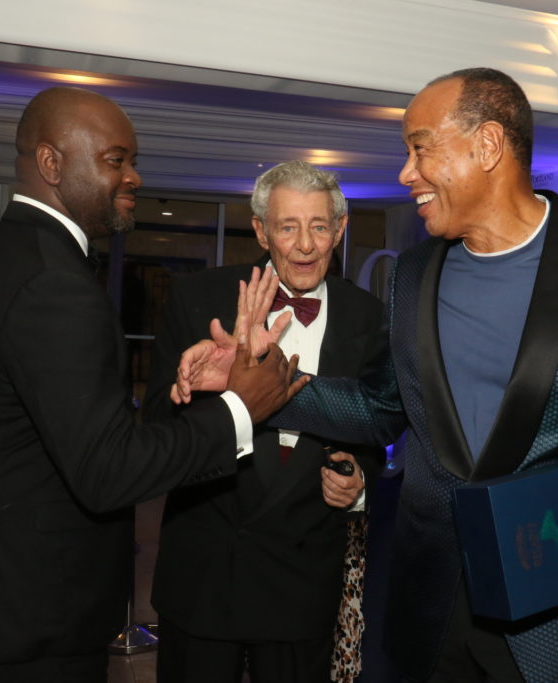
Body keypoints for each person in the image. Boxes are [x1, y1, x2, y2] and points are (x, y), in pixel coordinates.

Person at [175, 68, 558, 682]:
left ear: (487, 146)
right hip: (430, 610)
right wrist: (257, 382)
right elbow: (380, 408)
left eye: (419, 148)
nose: (405, 173)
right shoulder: (413, 274)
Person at [0, 86, 306, 683]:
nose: (134, 176)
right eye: (116, 160)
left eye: (132, 160)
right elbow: (106, 470)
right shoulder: (51, 281)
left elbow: (52, 426)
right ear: (51, 162)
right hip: (26, 614)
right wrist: (239, 410)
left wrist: (205, 392)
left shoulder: (12, 250)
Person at [145, 161, 386, 683]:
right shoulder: (199, 298)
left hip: (303, 578)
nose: (305, 245)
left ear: (340, 229)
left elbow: (375, 421)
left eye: (319, 226)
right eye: (288, 227)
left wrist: (359, 480)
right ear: (260, 231)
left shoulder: (369, 317)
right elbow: (157, 429)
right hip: (206, 574)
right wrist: (218, 384)